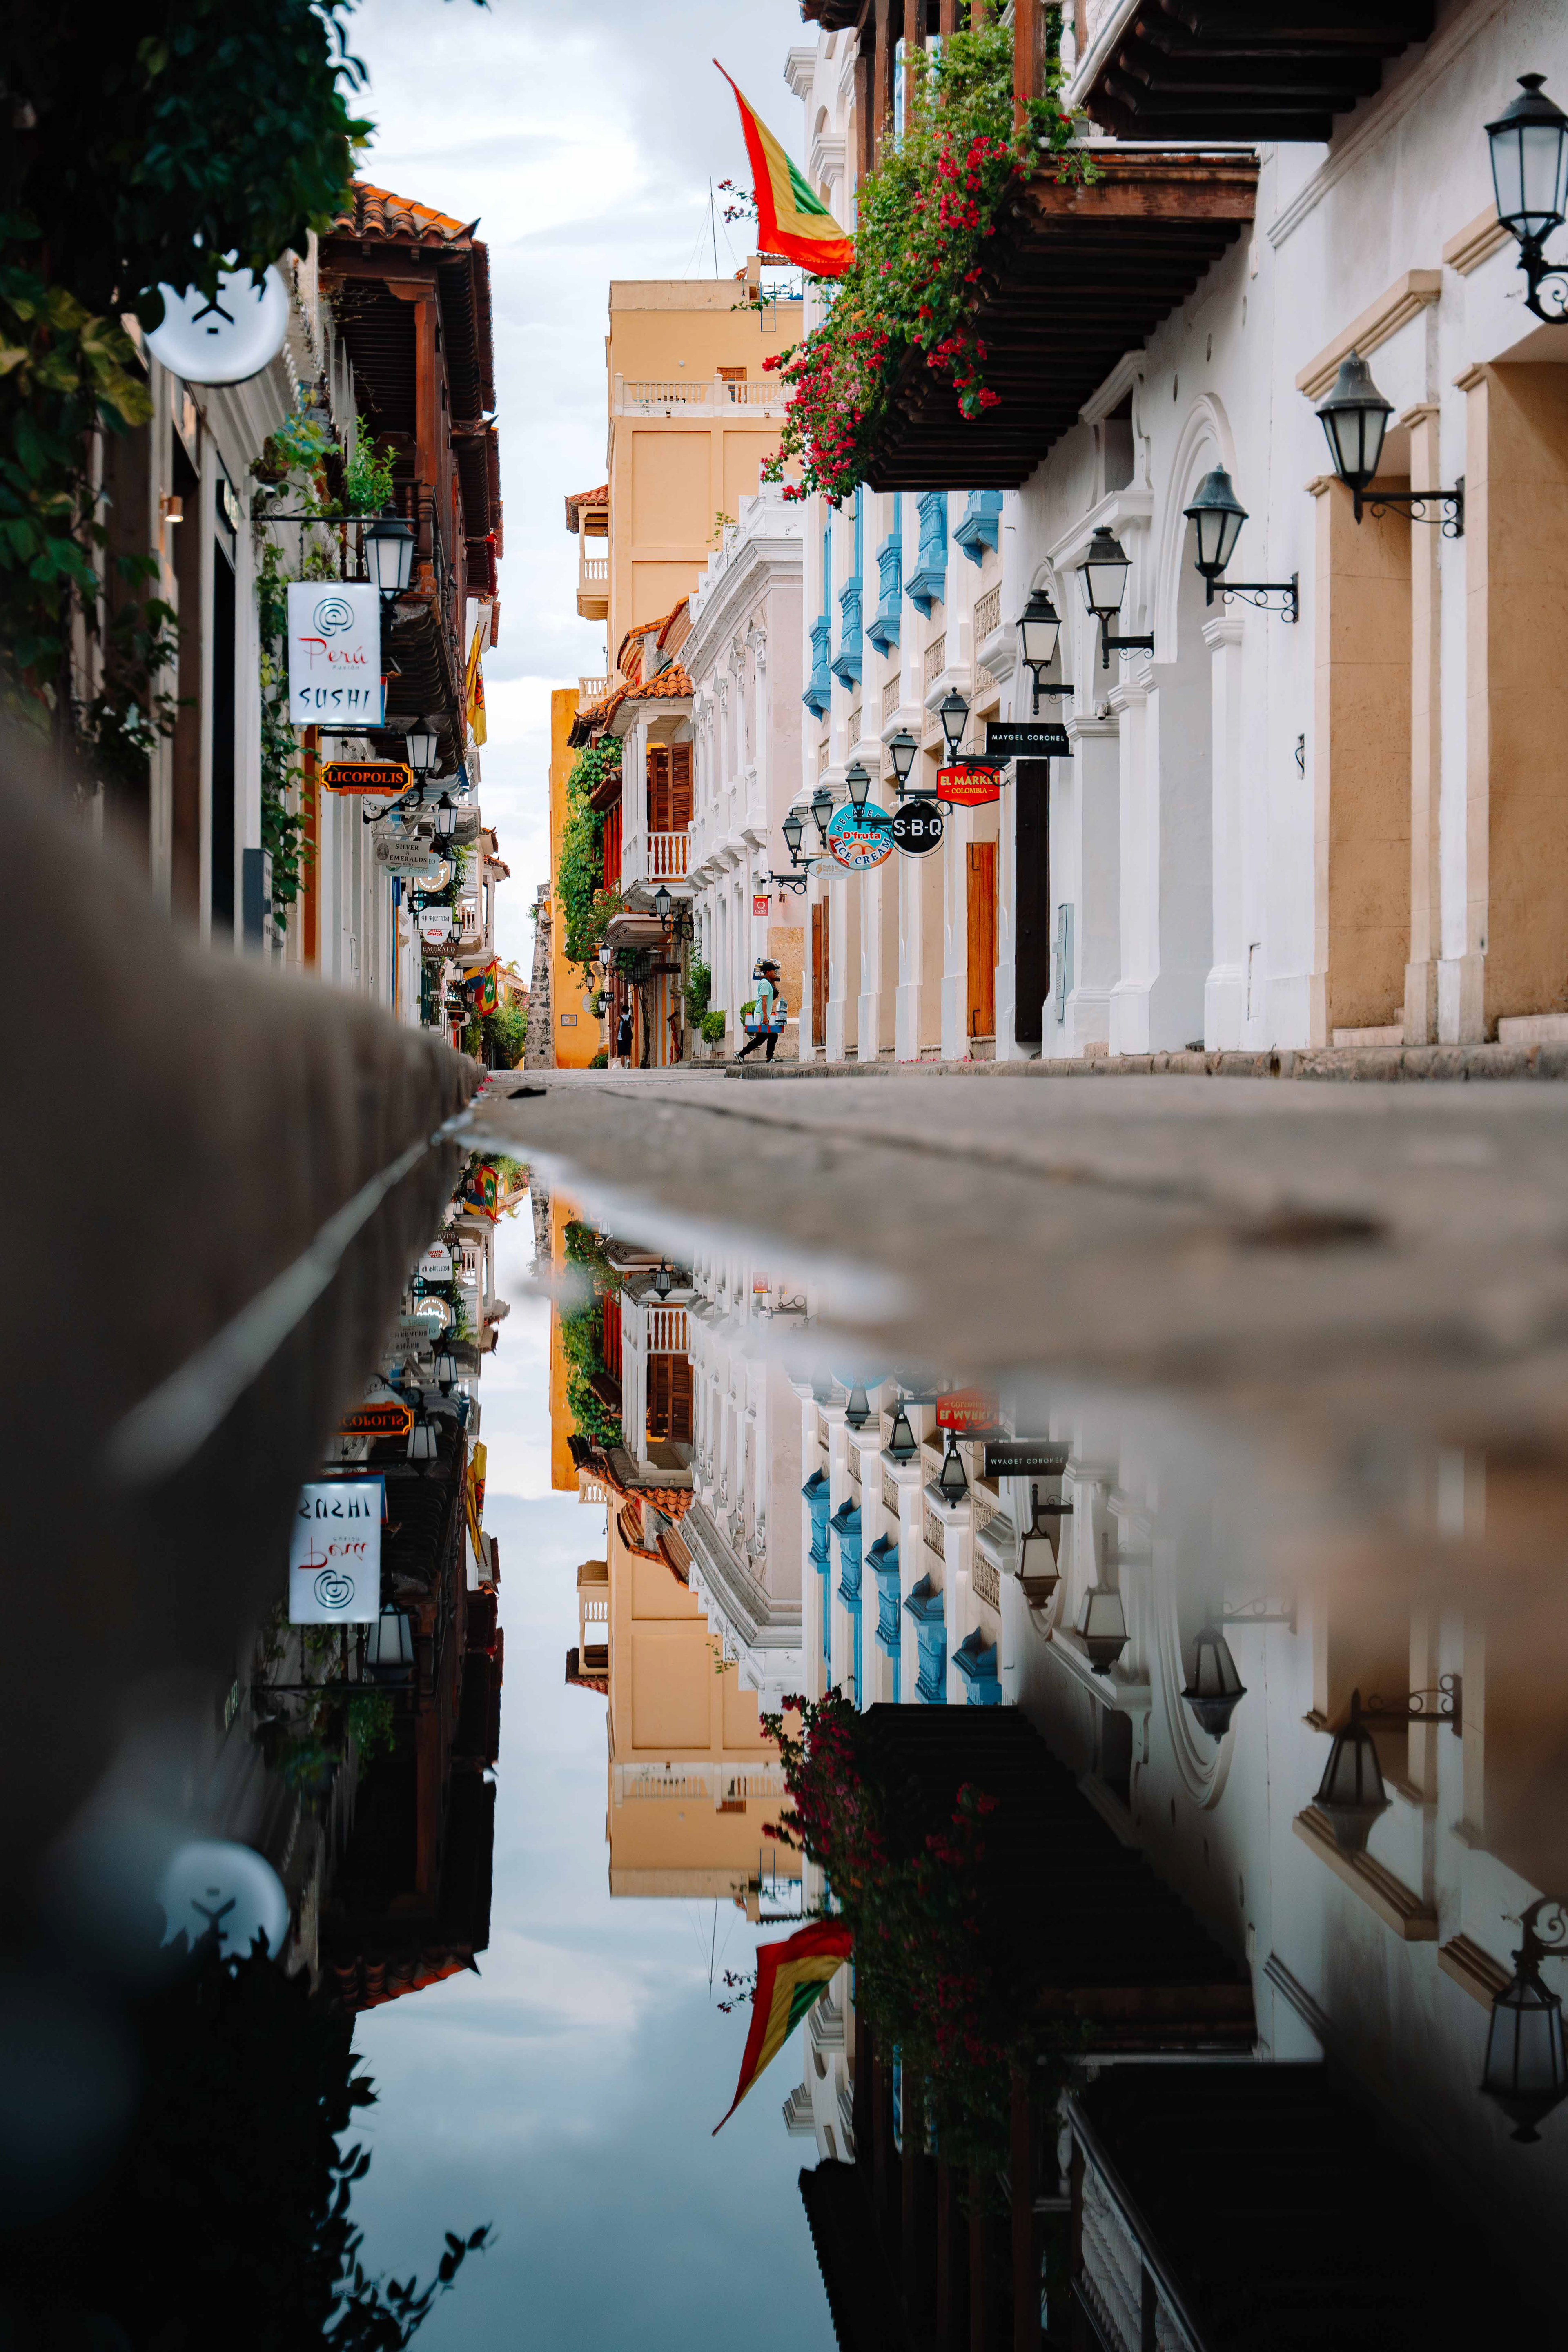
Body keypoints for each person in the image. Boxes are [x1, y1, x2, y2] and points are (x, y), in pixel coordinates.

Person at [735, 960, 783, 1062]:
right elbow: (764, 1000)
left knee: (761, 1039)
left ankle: (741, 1054)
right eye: (773, 972)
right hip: (762, 1016)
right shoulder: (765, 983)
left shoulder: (768, 983)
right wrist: (765, 1016)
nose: (775, 974)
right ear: (769, 972)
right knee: (773, 1036)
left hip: (763, 1015)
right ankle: (769, 1058)